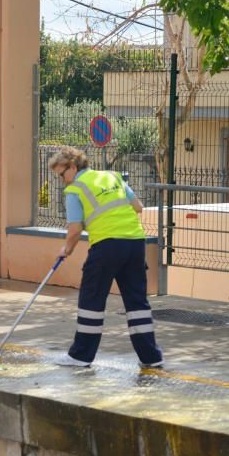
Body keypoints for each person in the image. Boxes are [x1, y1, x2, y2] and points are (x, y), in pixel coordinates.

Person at [50, 146, 163, 369]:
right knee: (137, 302)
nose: (63, 181)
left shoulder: (75, 190)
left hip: (106, 247)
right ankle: (151, 357)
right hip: (135, 244)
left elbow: (74, 230)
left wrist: (66, 250)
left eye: (62, 174)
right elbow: (138, 207)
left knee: (91, 299)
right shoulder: (113, 177)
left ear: (73, 166)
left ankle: (80, 356)